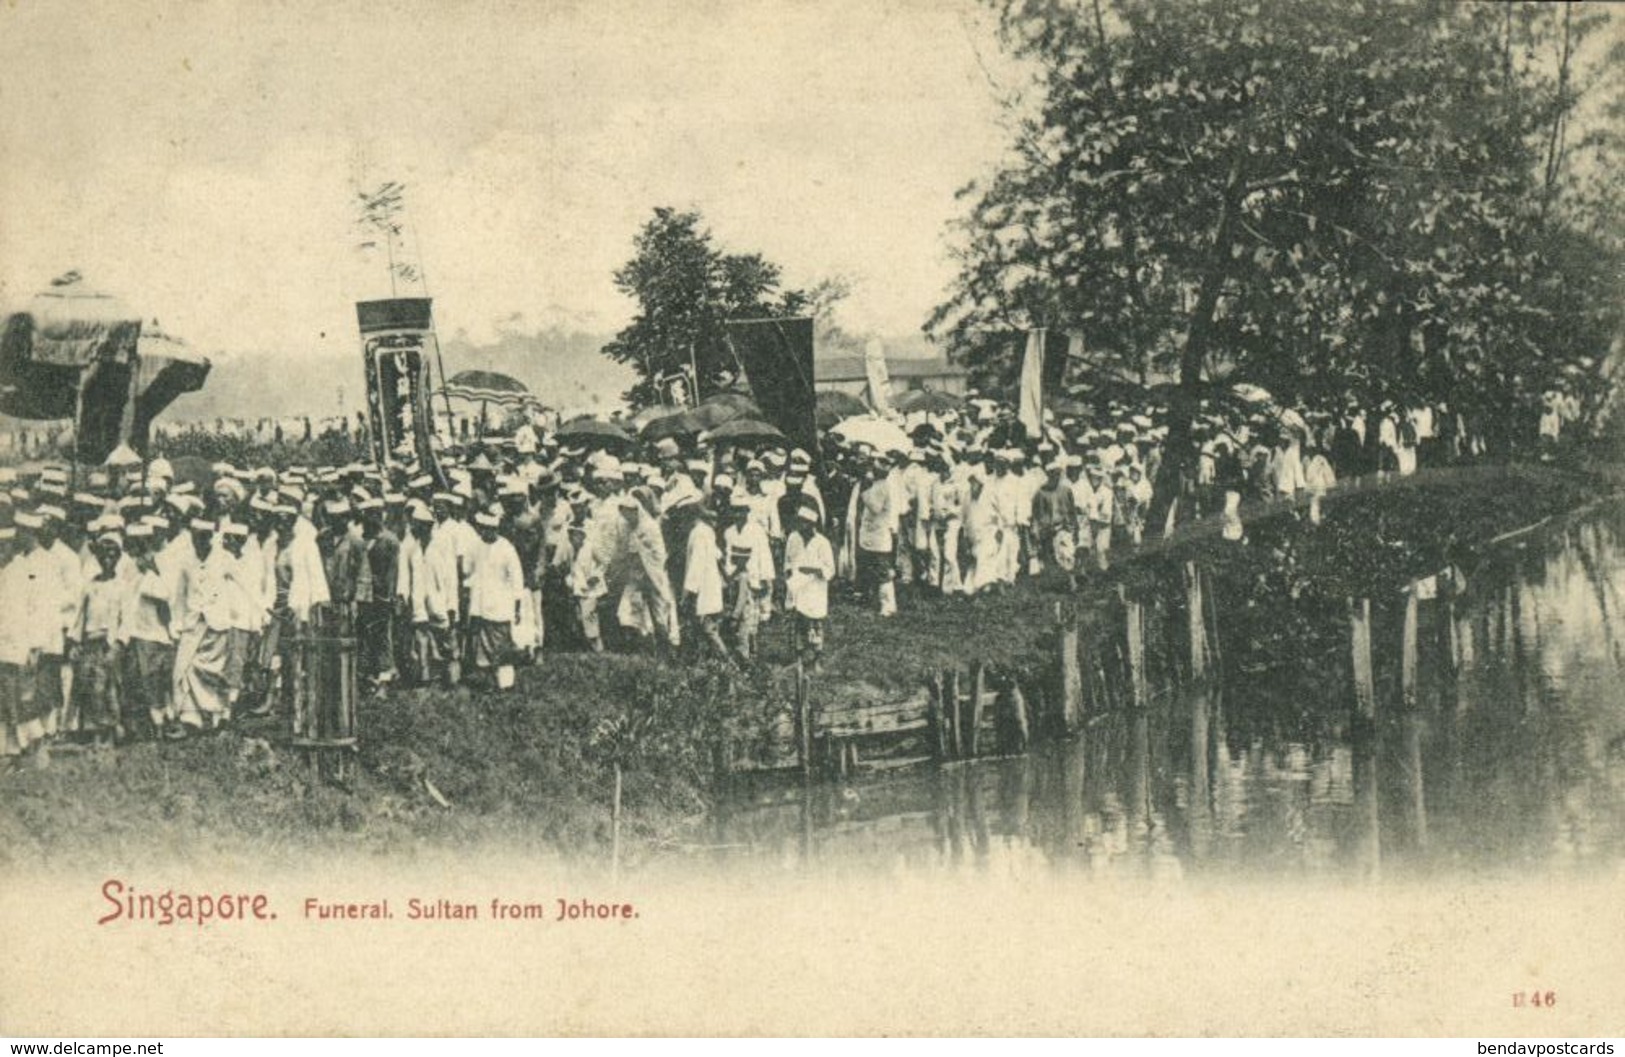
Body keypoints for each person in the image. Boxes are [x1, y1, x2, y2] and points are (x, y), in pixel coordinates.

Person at [465, 508, 524, 689]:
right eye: (484, 528)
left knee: (501, 646)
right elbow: (468, 569)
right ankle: (487, 682)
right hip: (481, 604)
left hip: (501, 606)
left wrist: (517, 606)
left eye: (491, 529)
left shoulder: (506, 548)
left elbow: (517, 579)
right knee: (483, 645)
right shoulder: (475, 546)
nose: (487, 532)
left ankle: (505, 683)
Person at [783, 499, 834, 669]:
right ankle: (797, 657)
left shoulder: (822, 542)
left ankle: (816, 658)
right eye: (799, 522)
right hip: (797, 586)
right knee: (798, 622)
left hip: (815, 588)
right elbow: (788, 562)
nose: (801, 526)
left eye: (805, 523)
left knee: (815, 624)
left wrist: (812, 570)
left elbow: (830, 570)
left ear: (812, 524)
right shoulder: (793, 538)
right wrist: (790, 578)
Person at [721, 497, 774, 660]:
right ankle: (741, 653)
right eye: (735, 511)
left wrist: (766, 578)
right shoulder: (729, 532)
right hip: (736, 579)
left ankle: (753, 653)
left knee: (752, 619)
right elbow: (729, 556)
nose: (738, 515)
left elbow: (764, 556)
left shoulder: (756, 530)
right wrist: (729, 576)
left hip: (753, 578)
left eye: (741, 511)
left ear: (747, 512)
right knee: (738, 616)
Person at [681, 501, 730, 663]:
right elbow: (718, 555)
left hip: (704, 589)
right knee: (706, 630)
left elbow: (697, 563)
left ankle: (728, 663)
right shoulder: (706, 531)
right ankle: (708, 663)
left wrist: (688, 591)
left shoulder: (698, 533)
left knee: (709, 630)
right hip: (710, 587)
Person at [854, 459, 897, 616]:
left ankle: (888, 606)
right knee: (872, 570)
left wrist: (864, 492)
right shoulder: (877, 485)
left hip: (879, 537)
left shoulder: (883, 487)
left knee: (882, 572)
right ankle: (874, 601)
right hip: (871, 536)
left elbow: (875, 508)